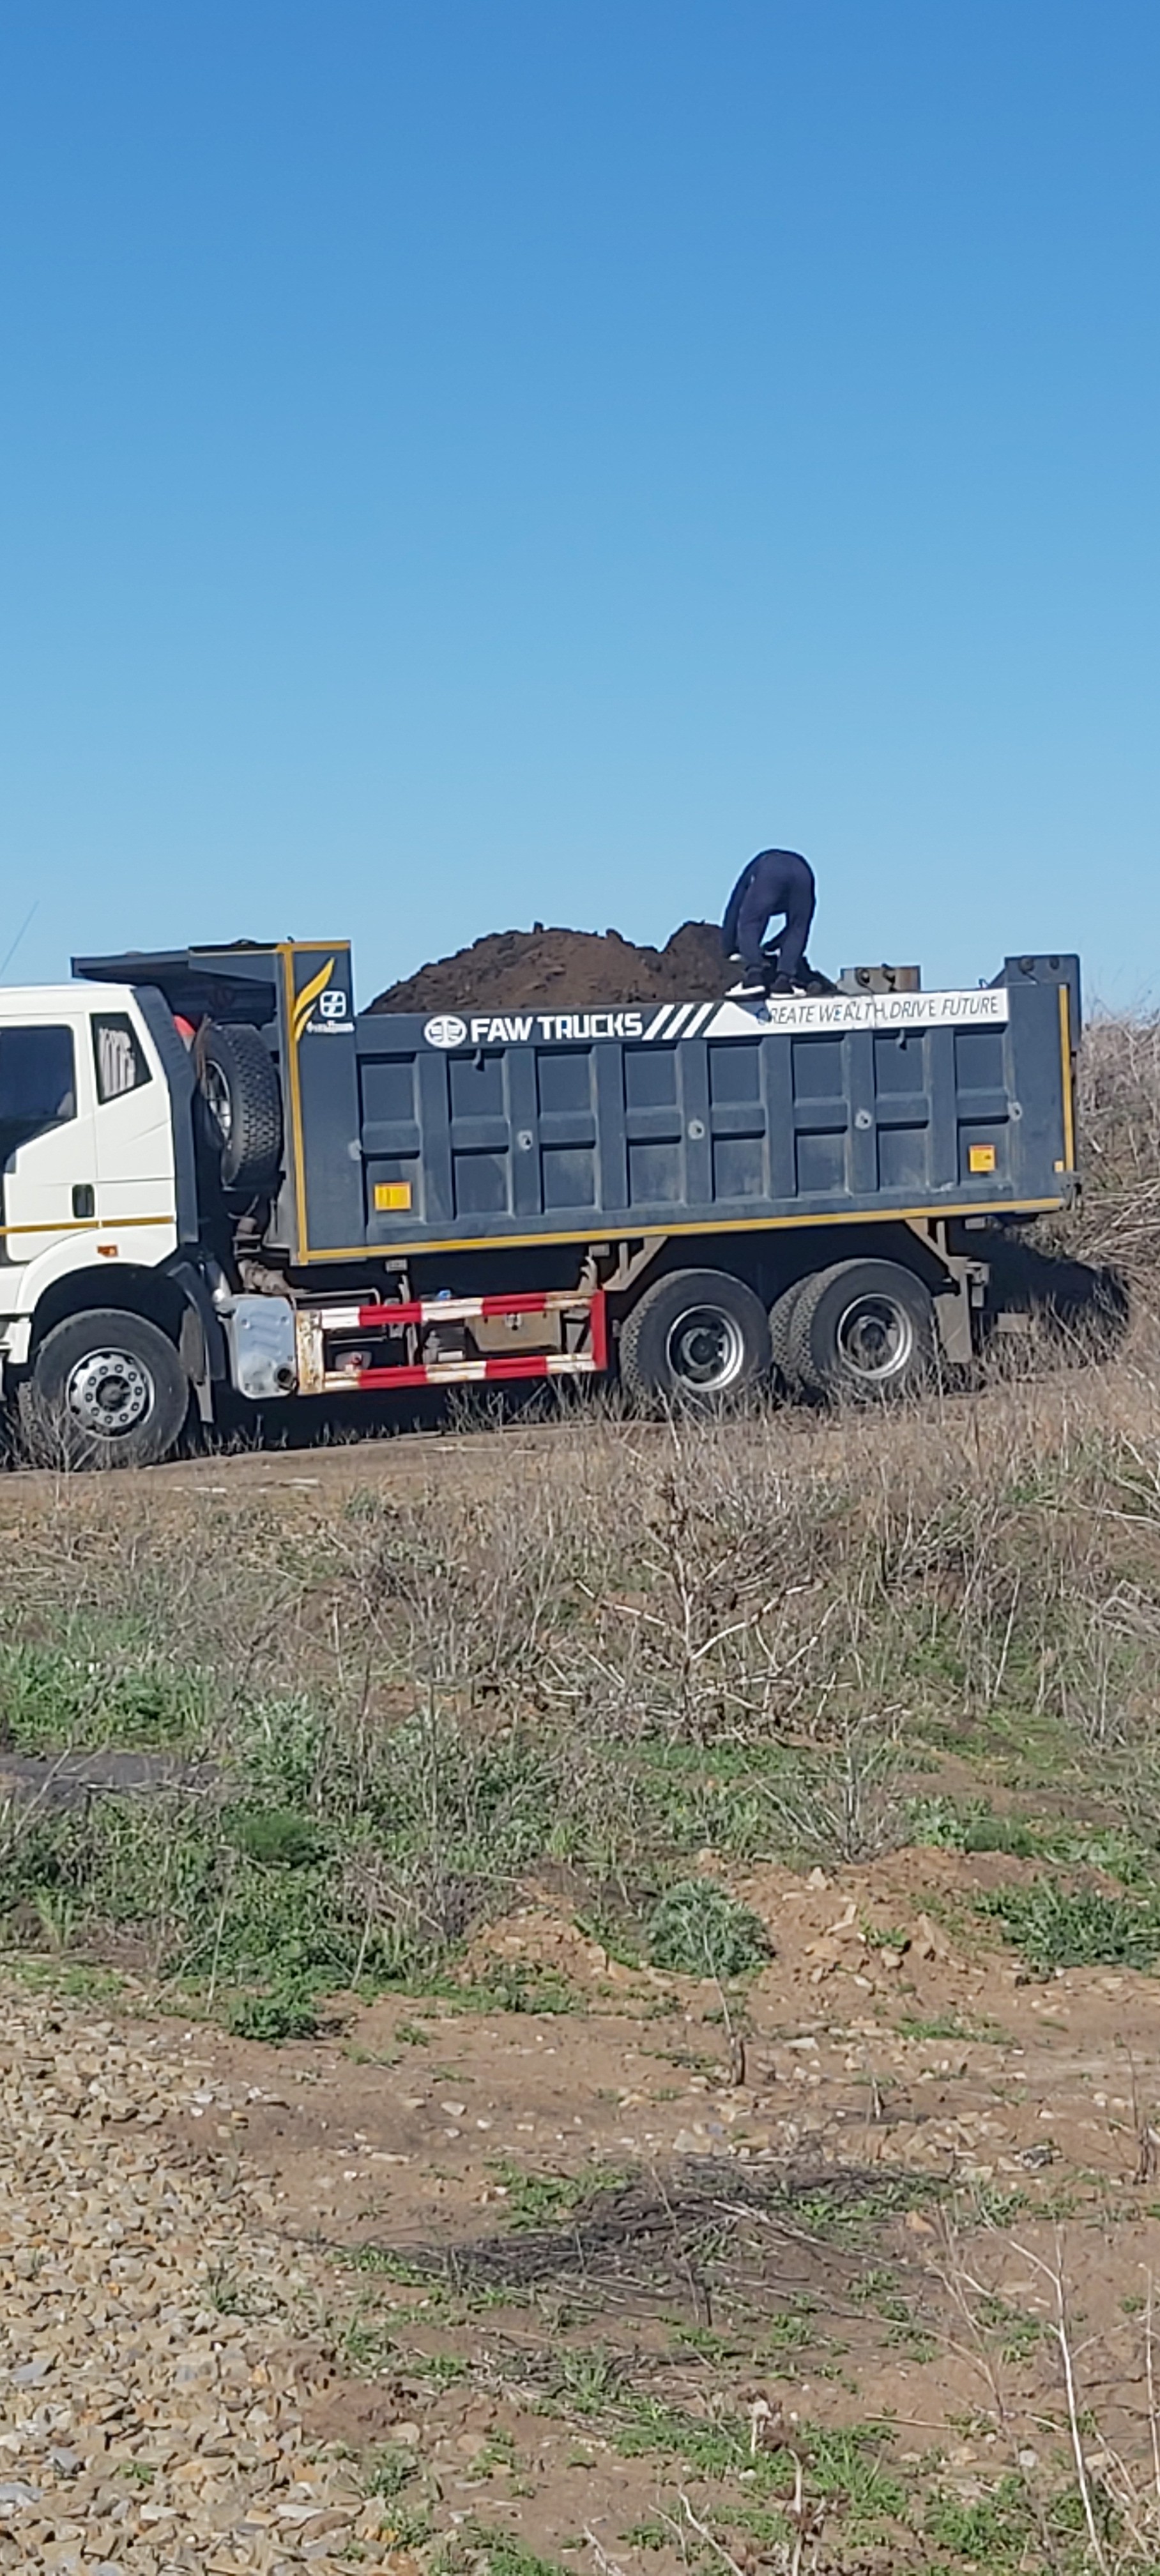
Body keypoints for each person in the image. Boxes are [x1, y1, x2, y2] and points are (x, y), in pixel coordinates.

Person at [721, 847, 831, 995]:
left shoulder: (757, 872)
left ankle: (754, 977)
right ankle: (784, 982)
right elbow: (796, 928)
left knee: (750, 921)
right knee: (798, 926)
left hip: (771, 869)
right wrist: (772, 945)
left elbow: (735, 909)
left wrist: (730, 948)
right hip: (804, 871)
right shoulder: (794, 872)